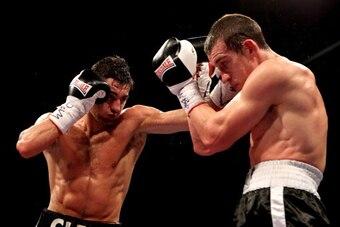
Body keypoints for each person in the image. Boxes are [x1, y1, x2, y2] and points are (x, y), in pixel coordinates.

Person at [152, 13, 331, 226]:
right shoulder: (268, 84)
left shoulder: (275, 71)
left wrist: (185, 87)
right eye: (218, 71)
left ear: (249, 48)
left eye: (224, 63)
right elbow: (201, 144)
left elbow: (211, 137)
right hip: (270, 195)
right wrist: (197, 95)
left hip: (280, 195)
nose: (224, 77)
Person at [16, 55, 191, 226]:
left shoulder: (132, 123)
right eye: (111, 96)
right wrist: (73, 108)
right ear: (94, 92)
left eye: (123, 99)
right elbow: (25, 146)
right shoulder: (58, 125)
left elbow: (190, 120)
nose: (116, 107)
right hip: (56, 221)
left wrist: (195, 91)